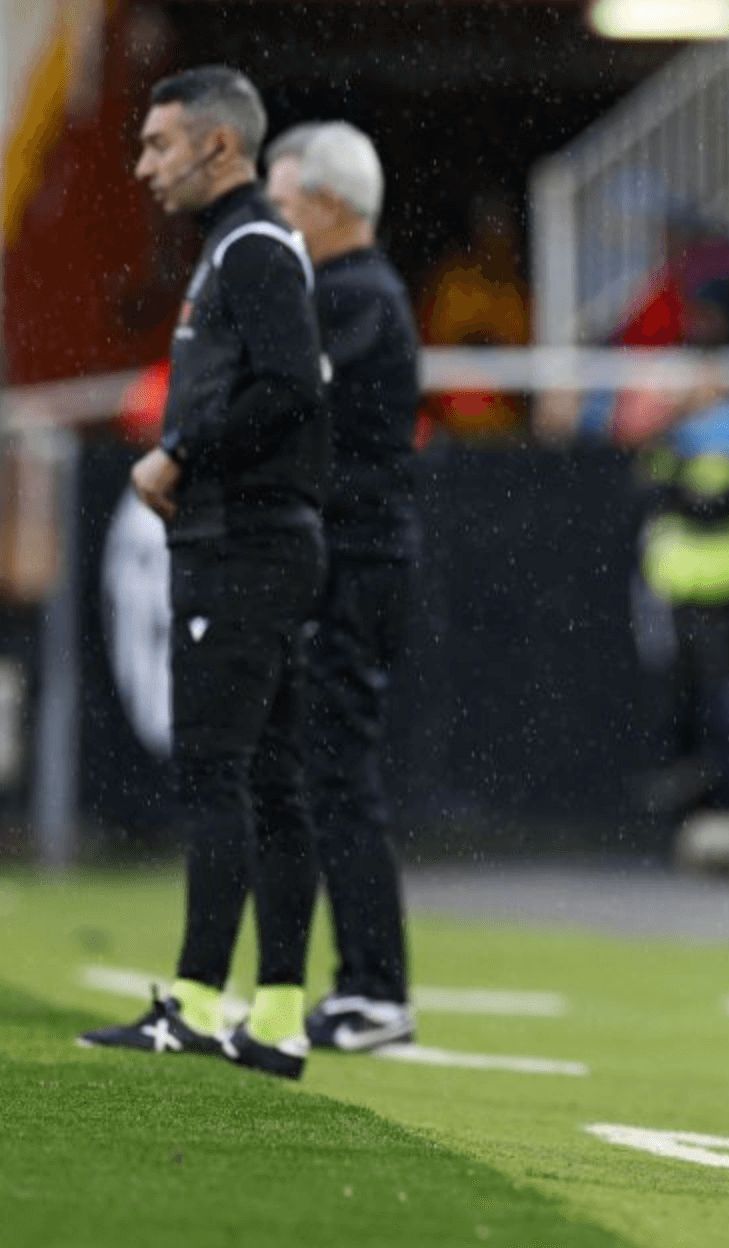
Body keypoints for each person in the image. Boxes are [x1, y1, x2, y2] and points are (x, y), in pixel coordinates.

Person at [80, 66, 328, 1079]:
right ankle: (275, 1017)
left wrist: (177, 454)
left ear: (218, 146)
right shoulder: (244, 246)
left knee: (220, 772)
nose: (144, 167)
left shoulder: (253, 246)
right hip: (262, 541)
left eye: (159, 144)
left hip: (242, 545)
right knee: (270, 779)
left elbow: (288, 387)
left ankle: (193, 1003)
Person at [264, 121, 422, 1052]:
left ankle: (374, 988)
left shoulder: (352, 295)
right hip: (351, 559)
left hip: (353, 566)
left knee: (337, 771)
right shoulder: (358, 293)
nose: (274, 221)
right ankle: (357, 983)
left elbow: (276, 402)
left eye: (284, 204)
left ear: (328, 204)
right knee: (325, 769)